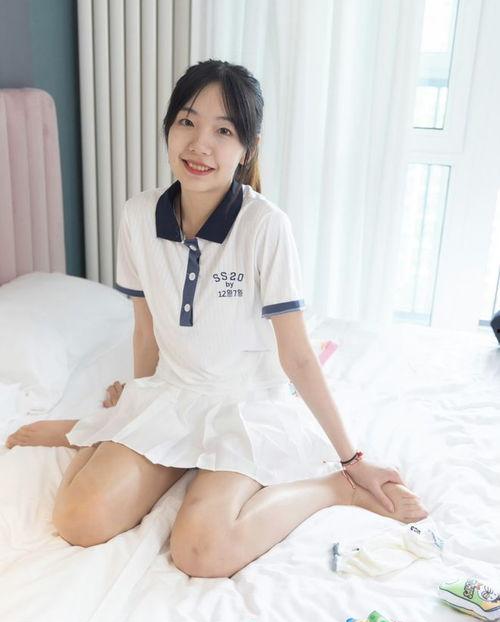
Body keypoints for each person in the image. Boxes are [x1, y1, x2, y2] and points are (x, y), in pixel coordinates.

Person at [5, 59, 427, 578]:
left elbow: (297, 356)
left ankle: (333, 490)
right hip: (175, 394)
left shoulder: (265, 226)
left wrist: (352, 461)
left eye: (223, 131)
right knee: (78, 520)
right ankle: (95, 432)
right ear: (168, 128)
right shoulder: (138, 216)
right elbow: (146, 330)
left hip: (245, 405)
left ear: (247, 148)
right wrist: (135, 407)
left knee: (201, 552)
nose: (200, 144)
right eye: (187, 121)